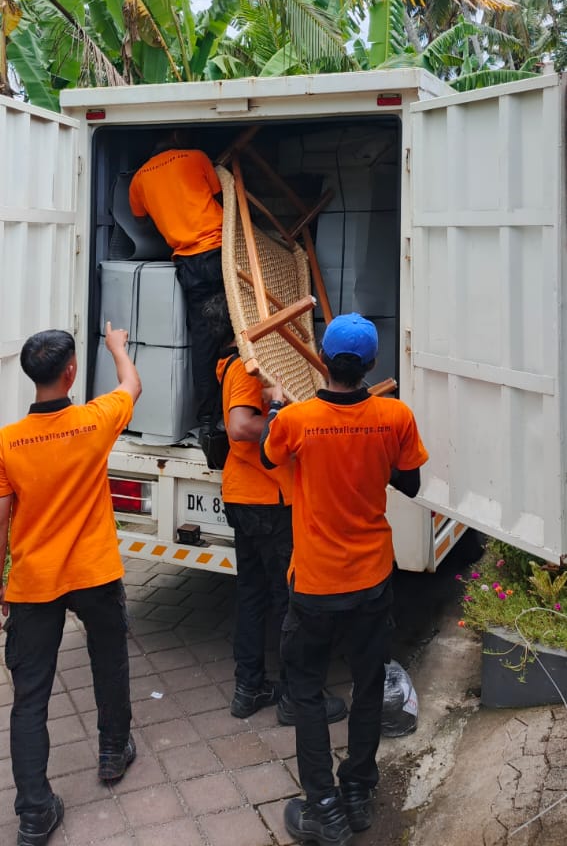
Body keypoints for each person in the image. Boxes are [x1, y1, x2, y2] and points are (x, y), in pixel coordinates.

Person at [260, 313, 429, 846]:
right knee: (368, 684)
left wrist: (276, 408)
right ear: (372, 364)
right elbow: (410, 482)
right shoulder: (394, 415)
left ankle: (323, 807)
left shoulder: (297, 420)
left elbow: (268, 453)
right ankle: (357, 791)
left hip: (314, 583)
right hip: (372, 579)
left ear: (324, 360)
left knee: (307, 691)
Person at [0, 323, 142, 846]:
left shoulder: (7, 442)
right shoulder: (94, 421)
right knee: (109, 660)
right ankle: (113, 752)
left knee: (30, 697)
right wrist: (118, 348)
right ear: (71, 371)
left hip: (34, 581)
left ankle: (35, 813)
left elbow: (0, 519)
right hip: (94, 572)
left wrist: (0, 584)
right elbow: (132, 386)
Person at [203, 293, 346, 729]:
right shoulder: (245, 367)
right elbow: (240, 426)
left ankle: (248, 689)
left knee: (251, 594)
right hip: (268, 499)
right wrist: (289, 418)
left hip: (245, 495)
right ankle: (295, 698)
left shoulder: (230, 365)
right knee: (290, 599)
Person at [129, 133, 224, 428]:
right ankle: (241, 407)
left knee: (204, 338)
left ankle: (208, 419)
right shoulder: (196, 156)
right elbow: (219, 194)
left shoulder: (138, 179)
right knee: (239, 327)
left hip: (188, 263)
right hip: (220, 251)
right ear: (175, 139)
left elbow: (140, 219)